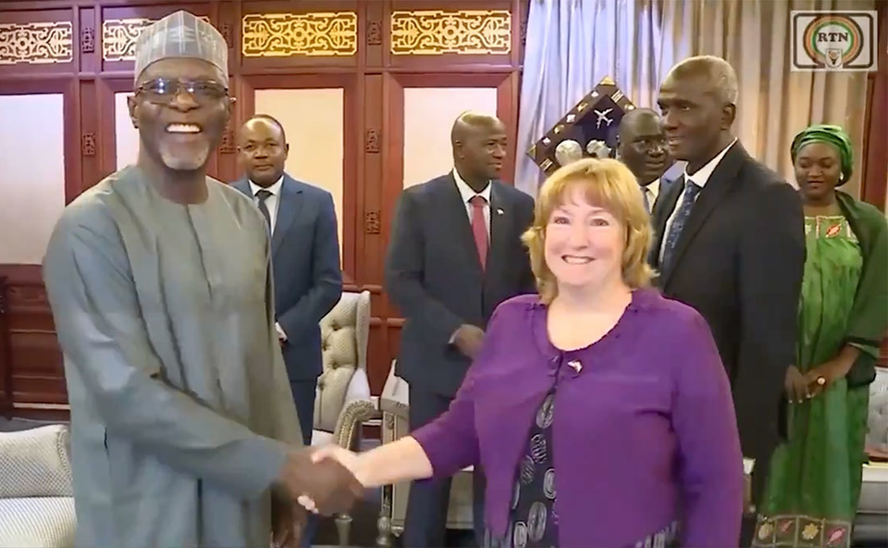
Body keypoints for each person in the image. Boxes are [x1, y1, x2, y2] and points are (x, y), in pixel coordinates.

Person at [41, 11, 361, 548]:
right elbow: (125, 393)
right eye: (161, 87)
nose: (184, 102)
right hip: (143, 501)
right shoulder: (91, 227)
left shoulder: (244, 218)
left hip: (239, 500)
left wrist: (283, 480)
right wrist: (279, 464)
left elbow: (265, 363)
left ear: (227, 110)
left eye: (204, 88)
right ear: (133, 108)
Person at [309, 158, 744, 547]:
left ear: (630, 236)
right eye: (562, 220)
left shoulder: (677, 333)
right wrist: (358, 468)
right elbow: (460, 432)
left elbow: (716, 482)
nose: (577, 239)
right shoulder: (512, 321)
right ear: (542, 234)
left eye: (599, 222)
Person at [650, 55, 806, 516]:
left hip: (721, 434)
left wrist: (744, 457)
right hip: (660, 420)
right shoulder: (672, 194)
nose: (669, 122)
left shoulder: (767, 197)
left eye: (684, 107)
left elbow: (768, 338)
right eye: (664, 108)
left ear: (726, 115)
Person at [384, 111, 536, 547]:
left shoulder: (520, 205)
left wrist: (513, 340)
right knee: (430, 476)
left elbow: (530, 284)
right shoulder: (419, 202)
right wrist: (455, 330)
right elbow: (401, 281)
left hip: (502, 369)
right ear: (459, 148)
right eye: (490, 144)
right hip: (437, 366)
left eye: (503, 144)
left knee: (498, 479)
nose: (501, 153)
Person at [754, 125, 888, 547]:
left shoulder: (867, 223)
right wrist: (780, 364)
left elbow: (877, 292)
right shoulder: (770, 216)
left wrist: (841, 363)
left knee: (831, 464)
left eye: (826, 164)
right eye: (805, 163)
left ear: (843, 168)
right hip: (781, 371)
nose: (814, 172)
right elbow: (756, 291)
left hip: (840, 374)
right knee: (778, 463)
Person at [232, 114, 343, 445]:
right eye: (251, 147)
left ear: (286, 150)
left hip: (295, 359)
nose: (261, 154)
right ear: (239, 153)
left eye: (270, 145)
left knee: (293, 456)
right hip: (234, 359)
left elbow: (328, 284)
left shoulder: (316, 202)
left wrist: (281, 330)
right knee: (239, 456)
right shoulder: (219, 202)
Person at [616, 108, 673, 213]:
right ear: (620, 147)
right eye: (644, 142)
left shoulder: (681, 194)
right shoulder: (601, 195)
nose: (657, 150)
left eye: (662, 140)